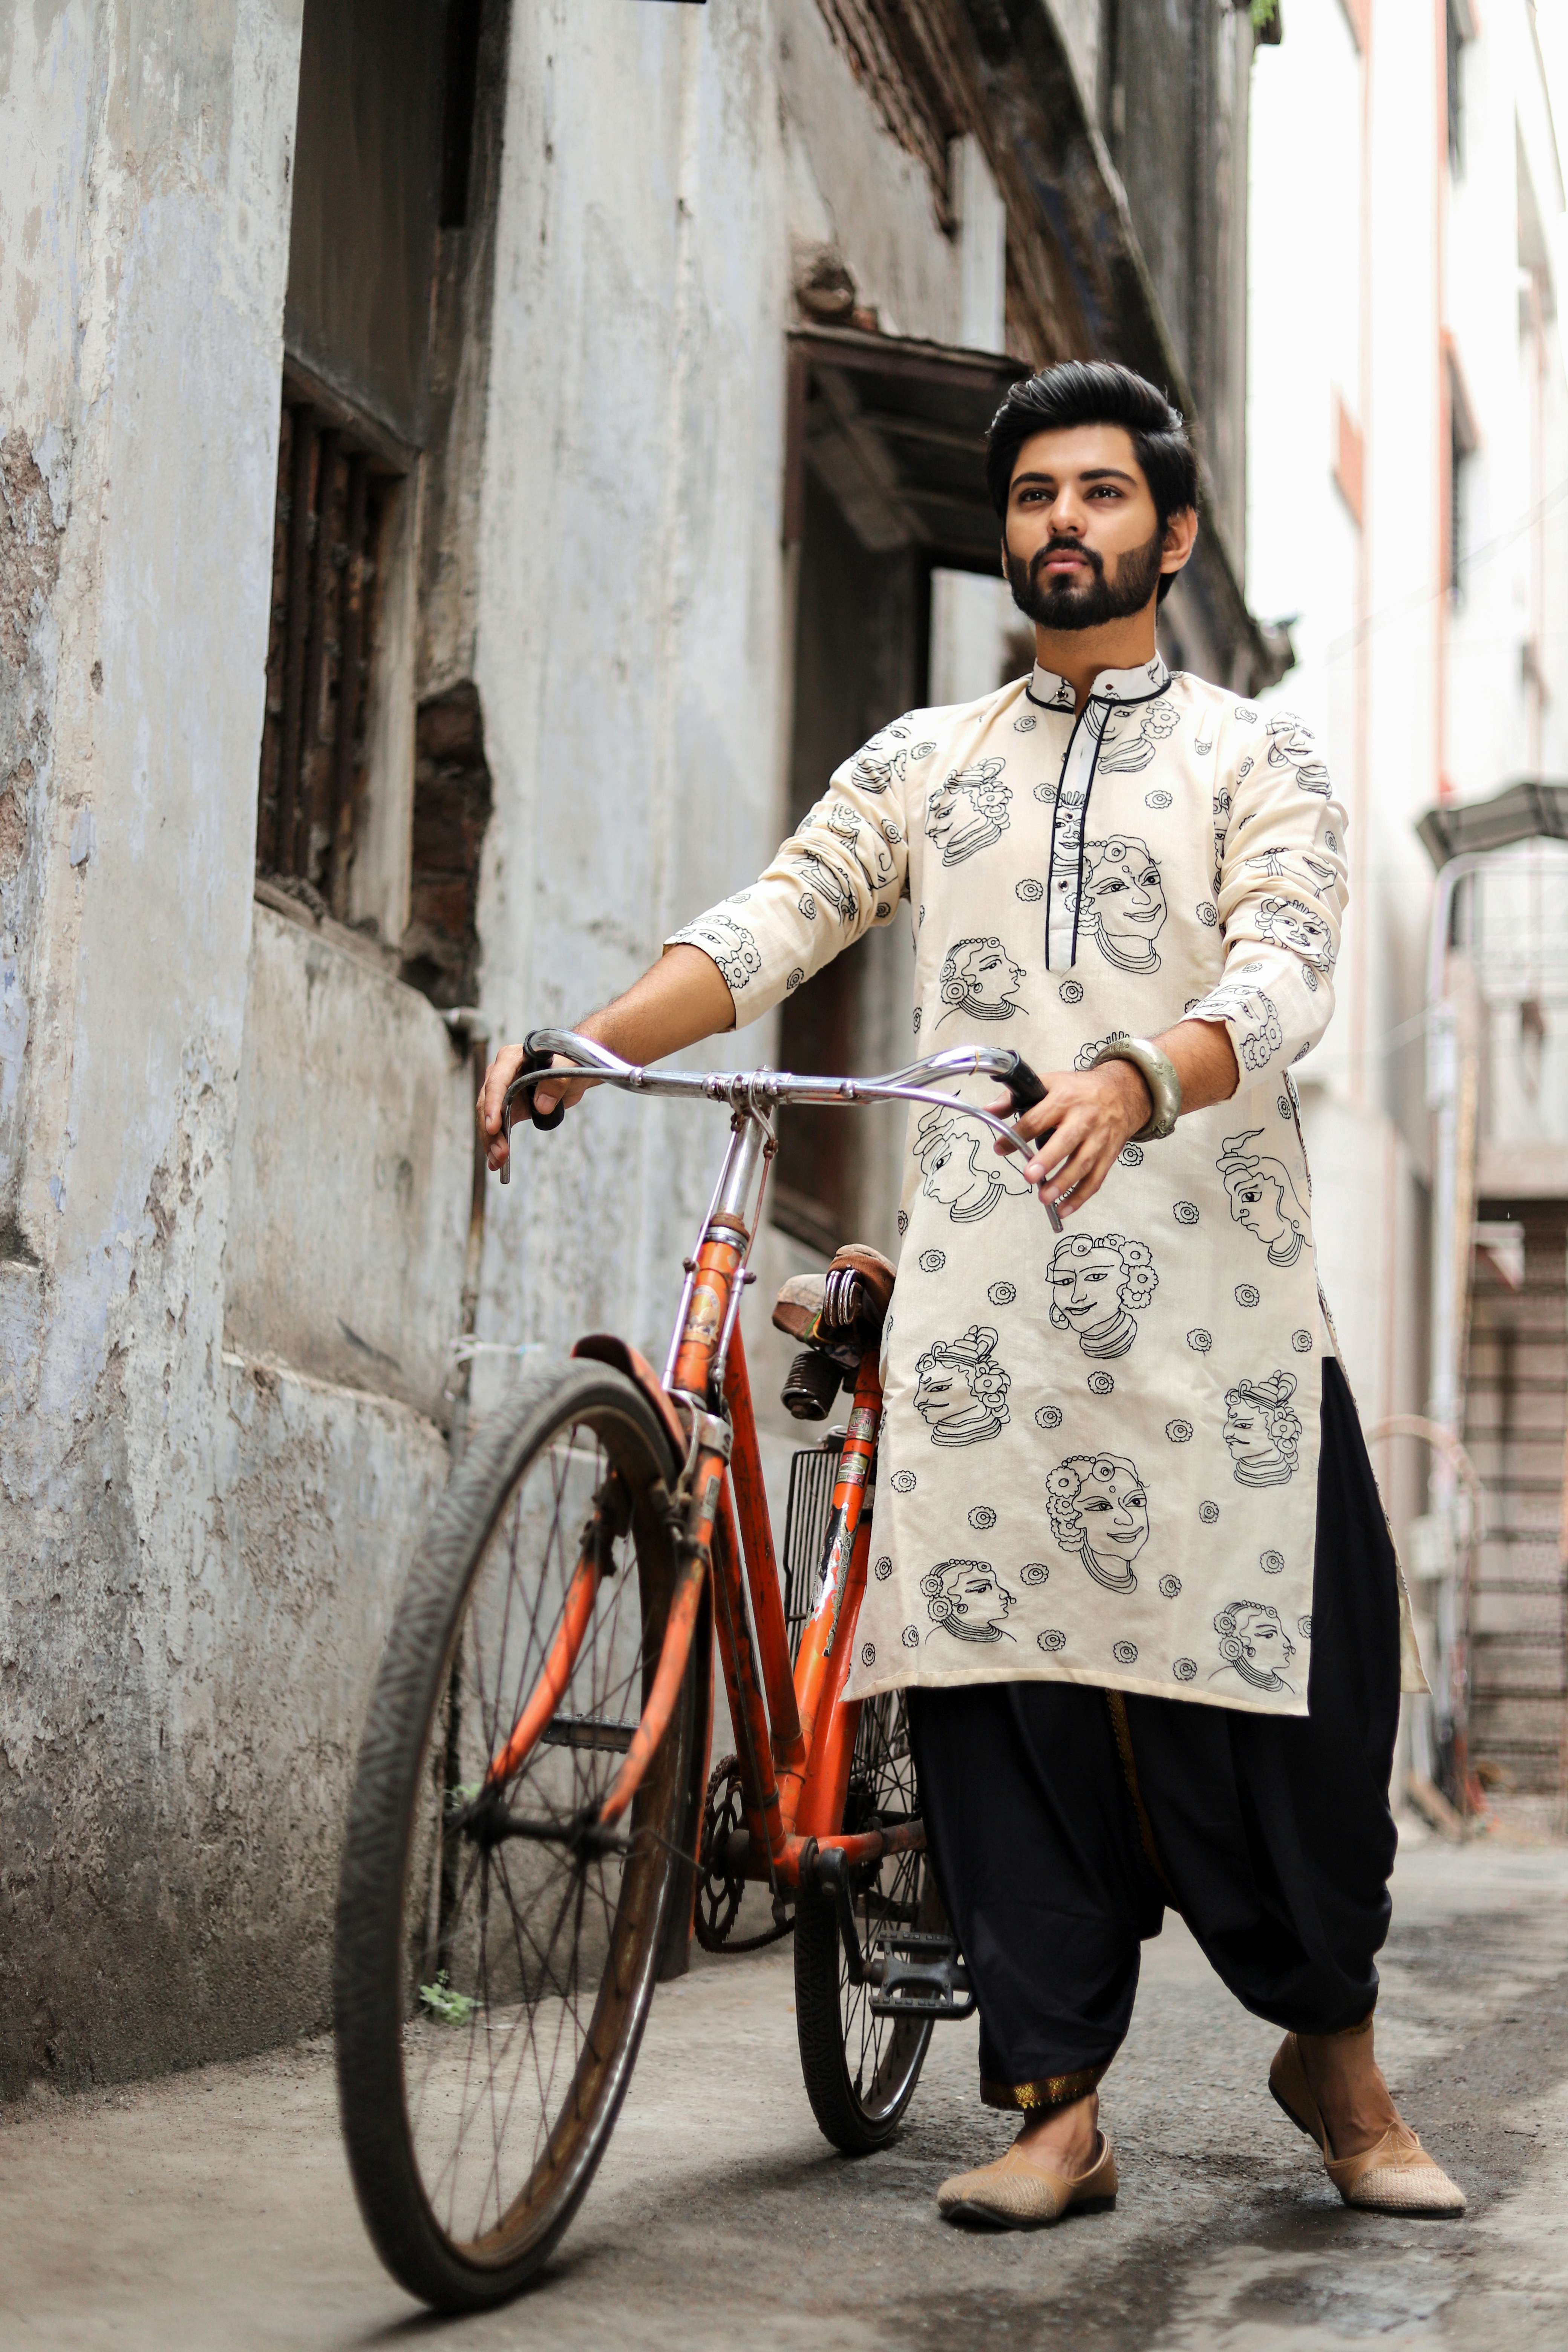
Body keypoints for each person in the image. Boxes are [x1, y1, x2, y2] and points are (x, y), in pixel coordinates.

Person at [479, 360, 1461, 2230]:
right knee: (1000, 1726)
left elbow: (1282, 968)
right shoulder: (926, 758)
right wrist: (587, 1047)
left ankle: (1334, 2075)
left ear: (1169, 536)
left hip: (1223, 1334)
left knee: (1291, 1736)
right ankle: (1051, 2113)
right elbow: (779, 916)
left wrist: (1130, 1075)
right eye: (1029, 501)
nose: (1058, 527)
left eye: (1099, 496)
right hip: (982, 1346)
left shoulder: (1260, 756)